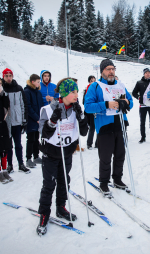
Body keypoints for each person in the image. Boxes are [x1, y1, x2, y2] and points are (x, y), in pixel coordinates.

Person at [37, 78, 88, 235]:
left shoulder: (76, 109)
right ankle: (44, 213)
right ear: (64, 93)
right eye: (73, 92)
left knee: (64, 181)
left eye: (76, 92)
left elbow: (84, 132)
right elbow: (43, 133)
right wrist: (53, 121)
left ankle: (61, 207)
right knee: (49, 185)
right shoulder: (47, 109)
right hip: (51, 153)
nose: (76, 95)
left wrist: (82, 117)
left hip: (66, 152)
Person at [84, 59, 133, 195]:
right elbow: (88, 107)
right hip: (105, 126)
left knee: (120, 155)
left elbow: (131, 101)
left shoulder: (120, 85)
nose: (111, 72)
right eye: (108, 69)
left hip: (121, 124)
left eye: (113, 69)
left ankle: (117, 179)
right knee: (105, 157)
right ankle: (104, 182)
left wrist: (127, 102)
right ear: (102, 71)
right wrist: (106, 104)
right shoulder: (95, 86)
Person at [2, 68, 29, 174]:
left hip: (17, 121)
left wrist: (24, 120)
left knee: (18, 144)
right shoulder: (1, 89)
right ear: (3, 77)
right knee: (8, 145)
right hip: (7, 122)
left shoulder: (18, 88)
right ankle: (9, 165)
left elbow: (23, 104)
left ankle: (21, 164)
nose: (8, 78)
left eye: (10, 76)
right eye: (6, 76)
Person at [24, 74, 44, 168]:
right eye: (38, 82)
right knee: (31, 139)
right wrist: (36, 118)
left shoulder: (38, 92)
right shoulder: (27, 91)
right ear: (33, 82)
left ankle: (36, 156)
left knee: (36, 139)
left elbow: (41, 106)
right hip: (32, 120)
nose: (39, 83)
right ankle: (28, 159)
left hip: (38, 119)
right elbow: (28, 107)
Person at [132, 68, 150, 143]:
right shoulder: (139, 82)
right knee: (142, 122)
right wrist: (138, 97)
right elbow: (134, 92)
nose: (147, 74)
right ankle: (143, 137)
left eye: (148, 73)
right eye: (146, 73)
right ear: (144, 74)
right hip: (143, 105)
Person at [83, 75, 97, 149]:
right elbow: (84, 102)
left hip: (97, 111)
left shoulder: (98, 89)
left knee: (98, 126)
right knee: (92, 127)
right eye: (91, 81)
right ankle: (89, 144)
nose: (93, 82)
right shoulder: (86, 90)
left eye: (94, 81)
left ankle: (97, 143)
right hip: (91, 112)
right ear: (89, 82)